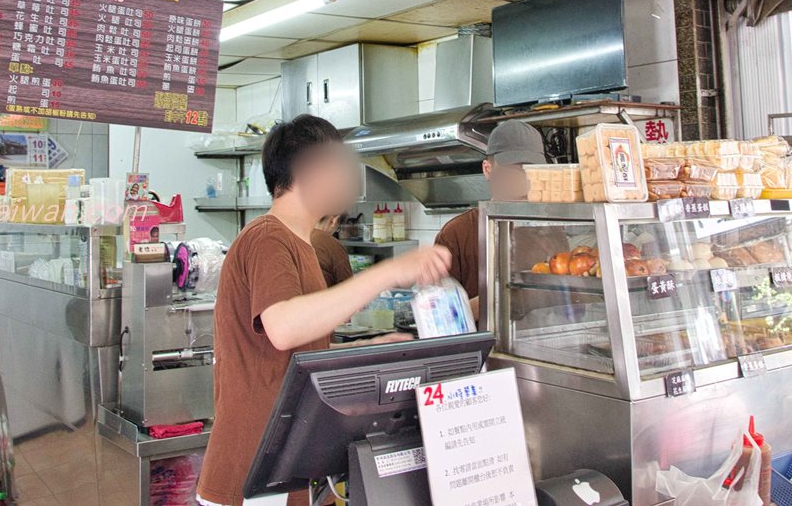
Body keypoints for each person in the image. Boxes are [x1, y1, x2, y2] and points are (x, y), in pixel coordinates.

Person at [197, 115, 452, 506]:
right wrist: (391, 271)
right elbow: (283, 328)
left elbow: (294, 356)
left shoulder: (302, 243)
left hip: (284, 466)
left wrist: (362, 351)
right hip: (251, 473)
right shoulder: (268, 237)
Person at [435, 120, 567, 317]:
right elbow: (439, 315)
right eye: (514, 170)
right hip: (482, 347)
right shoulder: (457, 234)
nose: (522, 180)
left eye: (530, 170)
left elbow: (568, 301)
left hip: (542, 343)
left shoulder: (551, 230)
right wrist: (494, 300)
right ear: (488, 170)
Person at [311, 214, 353, 287]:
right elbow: (347, 288)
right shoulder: (331, 244)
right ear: (334, 220)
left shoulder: (294, 235)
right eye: (338, 228)